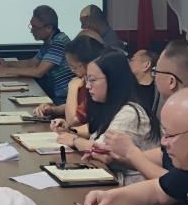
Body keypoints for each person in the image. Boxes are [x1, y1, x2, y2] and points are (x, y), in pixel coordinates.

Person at [97, 39, 188, 181]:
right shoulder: (187, 106)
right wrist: (117, 158)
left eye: (156, 71)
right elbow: (164, 156)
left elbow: (179, 184)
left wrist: (131, 152)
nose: (154, 77)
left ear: (171, 81)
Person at [58, 50, 160, 184]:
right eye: (87, 80)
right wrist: (71, 133)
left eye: (92, 80)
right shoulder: (110, 107)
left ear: (113, 81)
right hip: (112, 180)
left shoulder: (130, 113)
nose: (87, 86)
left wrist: (74, 140)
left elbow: (102, 151)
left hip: (132, 187)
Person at [0, 5, 73, 104]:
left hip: (62, 102)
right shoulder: (50, 41)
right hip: (53, 97)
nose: (31, 30)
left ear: (49, 28)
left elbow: (38, 72)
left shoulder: (59, 42)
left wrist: (4, 71)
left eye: (35, 27)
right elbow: (32, 63)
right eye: (31, 26)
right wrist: (6, 64)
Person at [31, 35, 109, 134]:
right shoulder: (84, 80)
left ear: (84, 65)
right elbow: (78, 106)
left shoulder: (95, 85)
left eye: (73, 67)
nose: (72, 70)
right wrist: (52, 110)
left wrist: (72, 88)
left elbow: (72, 121)